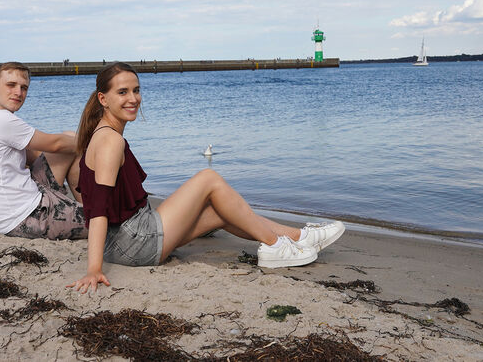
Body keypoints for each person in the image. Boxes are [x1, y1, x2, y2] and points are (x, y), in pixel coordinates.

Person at [68, 62, 344, 293]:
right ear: (103, 99)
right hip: (133, 242)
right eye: (123, 92)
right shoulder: (109, 141)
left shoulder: (106, 134)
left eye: (137, 90)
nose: (133, 99)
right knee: (208, 178)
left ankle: (299, 237)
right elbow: (100, 210)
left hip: (127, 239)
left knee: (221, 211)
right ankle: (274, 247)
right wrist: (94, 269)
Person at [0, 62, 87, 242]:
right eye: (11, 85)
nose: (18, 93)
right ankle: (88, 211)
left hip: (7, 212)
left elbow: (36, 154)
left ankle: (82, 205)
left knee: (70, 139)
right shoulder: (0, 119)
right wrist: (101, 144)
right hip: (25, 217)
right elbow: (55, 145)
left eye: (24, 88)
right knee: (104, 218)